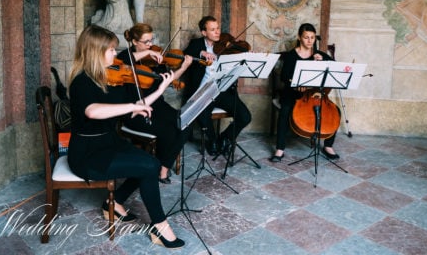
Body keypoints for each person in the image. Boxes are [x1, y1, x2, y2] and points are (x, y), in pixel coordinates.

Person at [67, 24, 184, 249]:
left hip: (108, 142)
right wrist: (130, 106)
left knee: (152, 163)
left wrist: (160, 90)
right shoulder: (81, 81)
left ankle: (116, 201)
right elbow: (93, 111)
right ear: (95, 52)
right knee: (148, 166)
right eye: (111, 50)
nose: (116, 54)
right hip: (87, 154)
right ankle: (160, 226)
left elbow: (136, 104)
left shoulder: (108, 78)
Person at [117, 23, 193, 184]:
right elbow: (125, 61)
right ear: (135, 42)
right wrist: (148, 52)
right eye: (146, 42)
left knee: (186, 123)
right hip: (135, 110)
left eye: (151, 41)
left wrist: (184, 67)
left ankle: (163, 166)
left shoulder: (155, 60)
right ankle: (162, 171)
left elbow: (169, 78)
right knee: (168, 132)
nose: (151, 45)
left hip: (158, 105)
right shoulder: (124, 58)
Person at [269, 23, 340, 162]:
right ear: (300, 38)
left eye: (312, 38)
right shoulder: (291, 55)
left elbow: (334, 68)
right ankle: (280, 149)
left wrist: (324, 61)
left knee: (335, 110)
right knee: (285, 111)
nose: (309, 41)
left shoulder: (319, 55)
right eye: (306, 37)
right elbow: (284, 77)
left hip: (314, 94)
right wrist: (296, 86)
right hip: (293, 93)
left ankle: (328, 146)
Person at [183, 16, 252, 156]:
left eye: (218, 28)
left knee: (245, 116)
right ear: (204, 32)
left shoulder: (226, 45)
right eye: (212, 29)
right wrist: (202, 53)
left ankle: (224, 138)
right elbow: (186, 54)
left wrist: (246, 56)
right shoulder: (196, 44)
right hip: (204, 91)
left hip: (224, 90)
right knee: (202, 113)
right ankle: (212, 140)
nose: (217, 32)